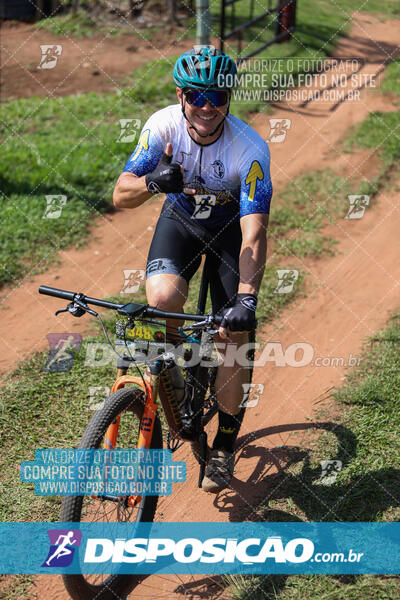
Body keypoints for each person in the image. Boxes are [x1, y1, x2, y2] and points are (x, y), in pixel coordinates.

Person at [113, 46, 272, 493]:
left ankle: (223, 443)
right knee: (161, 302)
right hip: (180, 222)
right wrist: (151, 183)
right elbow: (119, 195)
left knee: (232, 337)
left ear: (229, 97)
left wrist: (246, 298)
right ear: (180, 95)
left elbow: (255, 232)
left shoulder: (250, 149)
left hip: (228, 234)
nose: (207, 107)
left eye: (217, 97)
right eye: (197, 96)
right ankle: (176, 379)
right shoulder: (160, 127)